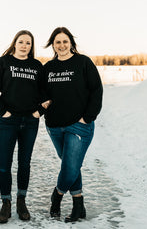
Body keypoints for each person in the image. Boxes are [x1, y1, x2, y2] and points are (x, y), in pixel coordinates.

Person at [42, 27, 103, 223]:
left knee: (69, 167)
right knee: (71, 165)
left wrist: (88, 117)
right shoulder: (48, 68)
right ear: (53, 45)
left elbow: (96, 90)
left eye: (65, 41)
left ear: (71, 43)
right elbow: (41, 93)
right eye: (57, 42)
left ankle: (57, 196)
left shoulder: (83, 62)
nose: (61, 45)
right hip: (54, 126)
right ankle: (79, 205)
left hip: (79, 125)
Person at [0, 30, 46, 223]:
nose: (24, 45)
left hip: (30, 121)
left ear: (31, 46)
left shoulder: (37, 66)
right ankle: (5, 203)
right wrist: (2, 110)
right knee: (4, 165)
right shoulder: (3, 63)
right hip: (8, 121)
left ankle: (21, 202)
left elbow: (46, 92)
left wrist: (40, 111)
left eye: (28, 43)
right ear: (15, 43)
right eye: (21, 42)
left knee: (24, 163)